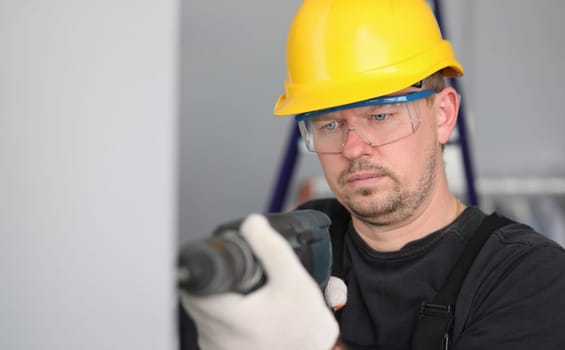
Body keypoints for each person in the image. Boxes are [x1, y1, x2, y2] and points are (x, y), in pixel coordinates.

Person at [179, 0, 565, 349]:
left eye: (380, 116)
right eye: (328, 124)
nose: (352, 148)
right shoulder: (296, 245)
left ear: (444, 116)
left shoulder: (531, 278)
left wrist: (314, 344)